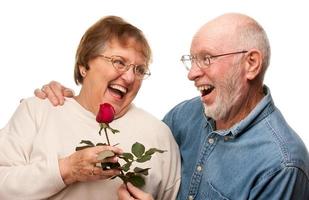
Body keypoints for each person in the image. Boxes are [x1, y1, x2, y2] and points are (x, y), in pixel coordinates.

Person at [34, 13, 309, 199]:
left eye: (207, 59)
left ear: (251, 64)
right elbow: (139, 146)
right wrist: (67, 105)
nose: (192, 73)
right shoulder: (185, 115)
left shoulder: (283, 165)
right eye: (192, 60)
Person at [0, 16, 180, 200]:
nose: (130, 78)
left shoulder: (159, 135)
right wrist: (67, 169)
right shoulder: (37, 111)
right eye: (119, 62)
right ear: (84, 66)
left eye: (139, 70)